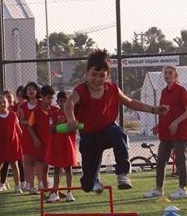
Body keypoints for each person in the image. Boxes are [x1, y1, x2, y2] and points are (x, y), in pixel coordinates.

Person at [64, 49, 166, 192]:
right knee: (87, 186)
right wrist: (71, 119)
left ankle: (123, 174)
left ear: (107, 75)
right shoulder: (81, 90)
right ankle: (93, 180)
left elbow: (130, 101)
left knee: (118, 133)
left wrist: (153, 109)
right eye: (93, 75)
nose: (97, 79)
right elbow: (69, 104)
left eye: (101, 75)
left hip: (107, 130)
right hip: (89, 137)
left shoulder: (112, 89)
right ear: (86, 73)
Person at [144, 65, 187, 199]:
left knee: (180, 160)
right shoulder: (164, 92)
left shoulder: (181, 90)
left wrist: (176, 122)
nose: (167, 75)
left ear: (175, 76)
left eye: (170, 73)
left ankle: (183, 189)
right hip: (165, 133)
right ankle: (159, 189)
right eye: (165, 73)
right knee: (161, 161)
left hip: (179, 132)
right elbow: (164, 111)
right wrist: (158, 126)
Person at [0, 94, 23, 194]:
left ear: (8, 104)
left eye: (4, 102)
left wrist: (23, 140)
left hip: (12, 144)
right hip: (0, 144)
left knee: (14, 165)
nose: (2, 104)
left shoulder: (13, 115)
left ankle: (17, 187)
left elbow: (19, 130)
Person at [45, 96, 77, 203]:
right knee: (57, 168)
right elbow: (51, 130)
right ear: (57, 102)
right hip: (57, 144)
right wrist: (58, 124)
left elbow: (74, 130)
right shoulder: (53, 114)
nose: (63, 103)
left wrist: (70, 124)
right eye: (61, 101)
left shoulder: (72, 114)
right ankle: (55, 192)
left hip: (68, 144)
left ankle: (70, 192)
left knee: (68, 168)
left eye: (65, 101)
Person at [27, 85, 55, 194]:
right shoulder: (36, 111)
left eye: (52, 98)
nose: (50, 100)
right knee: (41, 163)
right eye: (48, 97)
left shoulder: (54, 110)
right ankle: (42, 184)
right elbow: (30, 126)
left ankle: (50, 186)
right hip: (41, 142)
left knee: (50, 164)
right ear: (42, 97)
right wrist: (35, 138)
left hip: (52, 142)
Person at [18, 82, 43, 194]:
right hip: (27, 136)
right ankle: (30, 185)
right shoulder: (23, 106)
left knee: (39, 160)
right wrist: (29, 122)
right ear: (26, 93)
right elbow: (21, 120)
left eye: (33, 89)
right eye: (29, 89)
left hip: (40, 135)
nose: (31, 91)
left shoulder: (41, 103)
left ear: (37, 91)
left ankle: (41, 183)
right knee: (28, 161)